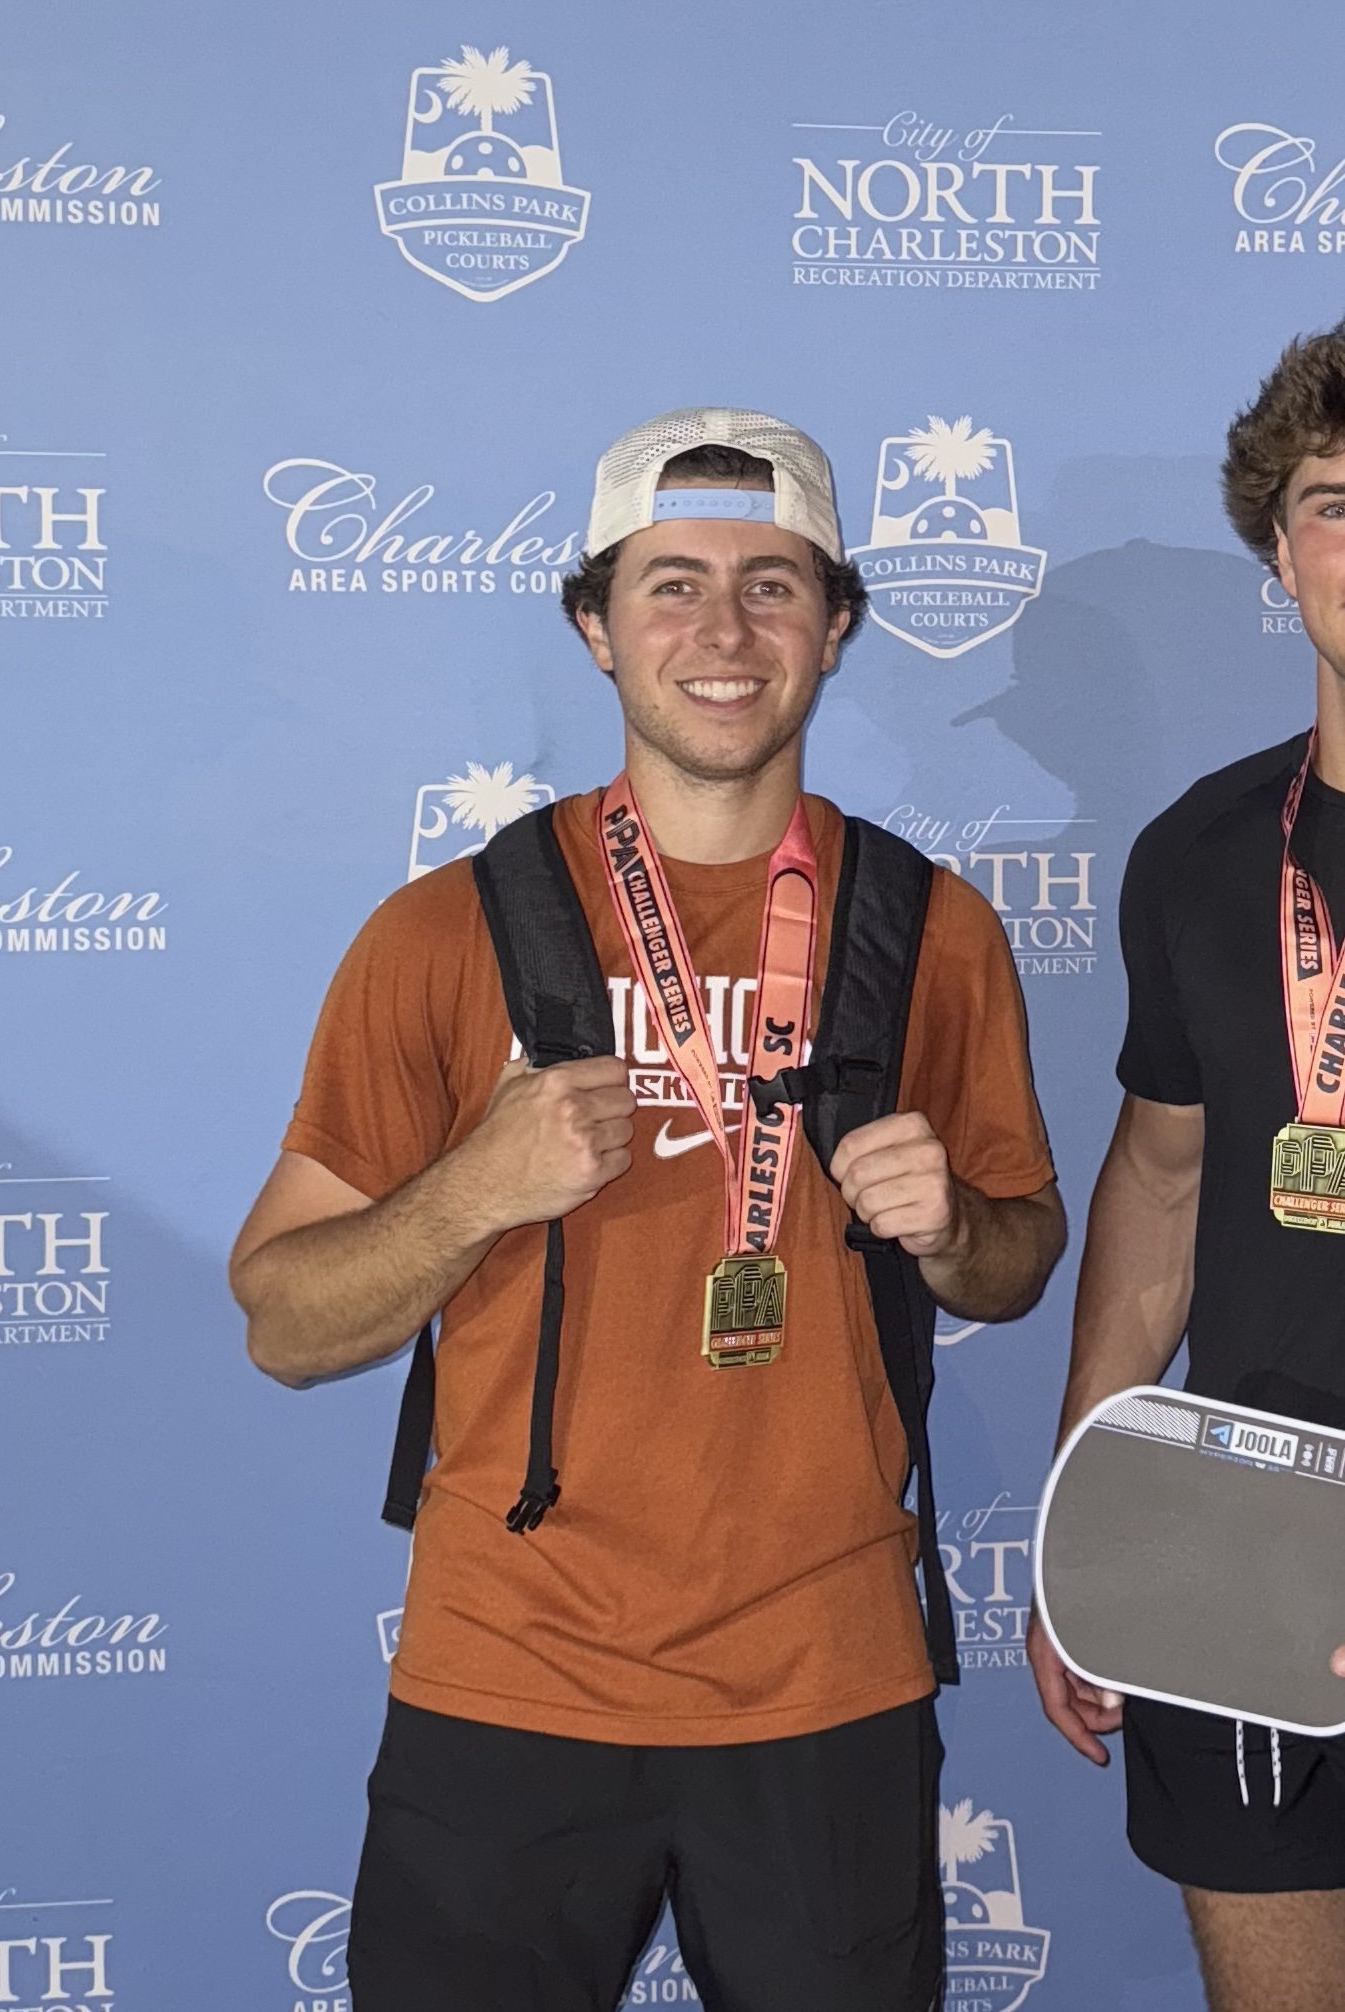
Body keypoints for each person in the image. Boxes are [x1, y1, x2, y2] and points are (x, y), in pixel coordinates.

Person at [231, 408, 1065, 2012]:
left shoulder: (929, 928)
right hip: (508, 1678)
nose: (722, 632)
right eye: (669, 584)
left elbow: (1022, 1260)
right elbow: (282, 1323)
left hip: (826, 1681)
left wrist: (959, 1233)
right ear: (593, 626)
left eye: (772, 585)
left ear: (834, 626)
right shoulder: (443, 931)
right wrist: (470, 1190)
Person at [1028, 322, 1345, 2012]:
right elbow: (1155, 1187)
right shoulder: (1202, 857)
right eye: (1334, 503)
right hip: (1246, 1549)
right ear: (1276, 548)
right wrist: (1098, 1533)